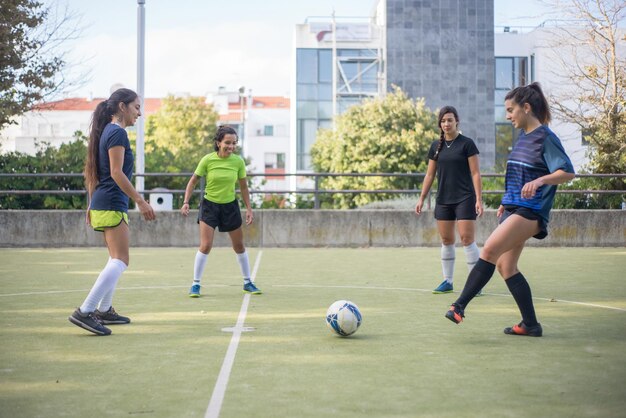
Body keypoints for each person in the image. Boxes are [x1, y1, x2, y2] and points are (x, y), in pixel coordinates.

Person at [444, 82, 575, 337]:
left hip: (531, 211)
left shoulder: (545, 137)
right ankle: (531, 325)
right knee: (506, 266)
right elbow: (520, 175)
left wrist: (540, 181)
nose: (507, 115)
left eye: (510, 109)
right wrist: (507, 200)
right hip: (516, 208)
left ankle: (458, 306)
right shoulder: (524, 139)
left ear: (526, 108)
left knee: (490, 250)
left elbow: (567, 171)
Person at [69, 88, 156, 336]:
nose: (139, 113)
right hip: (110, 202)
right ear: (122, 106)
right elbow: (116, 173)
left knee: (114, 258)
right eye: (136, 107)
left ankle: (104, 309)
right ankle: (85, 311)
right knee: (120, 260)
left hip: (105, 202)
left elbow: (99, 171)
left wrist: (91, 202)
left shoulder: (108, 131)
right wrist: (140, 200)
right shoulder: (116, 133)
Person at [180, 125, 260, 297]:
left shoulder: (238, 162)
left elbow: (244, 187)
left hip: (230, 206)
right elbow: (193, 181)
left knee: (239, 245)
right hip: (209, 206)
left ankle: (247, 282)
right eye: (227, 143)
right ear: (218, 142)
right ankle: (195, 284)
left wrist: (249, 209)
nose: (231, 146)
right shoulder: (207, 160)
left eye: (234, 143)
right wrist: (186, 202)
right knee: (206, 245)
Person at [415, 106, 483, 294]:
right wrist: (421, 198)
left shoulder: (467, 144)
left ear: (456, 121)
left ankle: (475, 285)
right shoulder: (435, 147)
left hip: (465, 198)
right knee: (446, 240)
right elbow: (429, 175)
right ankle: (447, 282)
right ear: (440, 124)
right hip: (444, 199)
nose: (446, 123)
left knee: (467, 239)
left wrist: (478, 199)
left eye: (450, 120)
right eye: (443, 121)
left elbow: (476, 173)